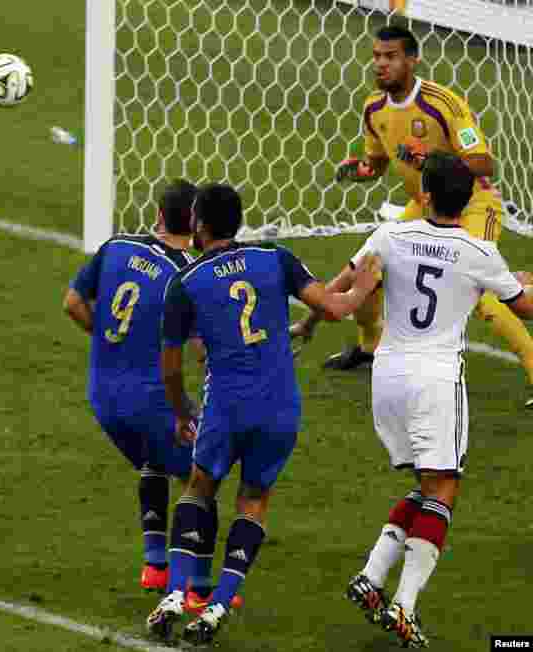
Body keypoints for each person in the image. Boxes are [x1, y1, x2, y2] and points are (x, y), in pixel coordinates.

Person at [145, 184, 381, 645]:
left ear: (200, 225)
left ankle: (174, 594)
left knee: (199, 489)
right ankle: (216, 608)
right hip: (280, 407)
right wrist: (365, 287)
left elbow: (171, 368)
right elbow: (333, 309)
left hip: (228, 405)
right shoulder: (276, 258)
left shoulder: (187, 282)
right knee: (253, 502)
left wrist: (179, 412)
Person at [333, 152, 533, 648]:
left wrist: (313, 317)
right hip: (436, 378)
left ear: (423, 195)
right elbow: (522, 306)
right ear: (468, 202)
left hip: (388, 375)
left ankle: (372, 575)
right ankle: (403, 606)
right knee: (443, 488)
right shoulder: (476, 250)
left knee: (428, 483)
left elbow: (351, 278)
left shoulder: (391, 236)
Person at [311, 25, 533, 410]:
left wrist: (428, 158)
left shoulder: (441, 103)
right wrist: (360, 171)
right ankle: (370, 346)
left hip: (473, 204)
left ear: (412, 60)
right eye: (377, 56)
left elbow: (484, 163)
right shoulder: (373, 108)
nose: (381, 64)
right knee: (371, 266)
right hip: (425, 205)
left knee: (483, 294)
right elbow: (378, 163)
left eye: (391, 56)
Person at [65, 180, 198, 593]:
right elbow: (201, 348)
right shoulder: (188, 276)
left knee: (153, 460)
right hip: (151, 400)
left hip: (102, 395)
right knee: (203, 474)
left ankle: (155, 564)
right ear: (196, 225)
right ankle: (192, 585)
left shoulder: (116, 245)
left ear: (158, 216)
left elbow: (71, 303)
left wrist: (107, 339)